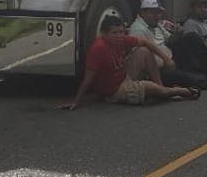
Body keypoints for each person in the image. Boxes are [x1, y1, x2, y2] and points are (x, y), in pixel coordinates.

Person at [59, 17, 199, 110]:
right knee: (149, 86)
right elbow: (88, 78)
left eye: (121, 32)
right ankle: (183, 91)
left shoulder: (122, 40)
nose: (119, 36)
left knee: (143, 51)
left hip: (123, 75)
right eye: (114, 33)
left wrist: (166, 59)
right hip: (114, 89)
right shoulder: (98, 49)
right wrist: (76, 101)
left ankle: (162, 90)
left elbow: (145, 43)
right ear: (104, 34)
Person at [129, 0, 207, 90]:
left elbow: (170, 39)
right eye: (153, 13)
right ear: (143, 13)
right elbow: (144, 57)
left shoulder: (155, 25)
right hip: (158, 69)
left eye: (158, 13)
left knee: (191, 37)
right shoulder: (138, 30)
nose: (157, 16)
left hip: (171, 57)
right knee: (185, 77)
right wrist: (167, 60)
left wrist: (178, 32)